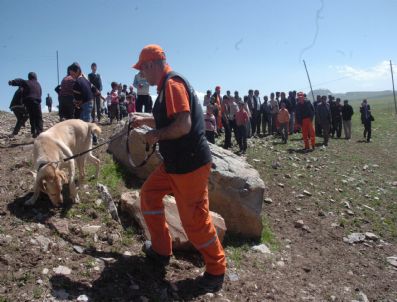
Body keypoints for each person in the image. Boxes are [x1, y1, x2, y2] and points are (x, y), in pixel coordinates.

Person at [131, 44, 226, 292]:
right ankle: (162, 250)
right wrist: (146, 119)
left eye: (142, 70)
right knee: (149, 195)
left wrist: (155, 135)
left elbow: (183, 125)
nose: (142, 76)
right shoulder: (166, 87)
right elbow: (172, 118)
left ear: (152, 65)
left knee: (195, 221)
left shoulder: (172, 85)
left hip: (189, 165)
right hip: (175, 164)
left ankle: (216, 270)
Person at [69, 62, 98, 144]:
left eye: (72, 74)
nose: (72, 76)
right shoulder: (85, 79)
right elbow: (92, 89)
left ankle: (90, 140)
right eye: (70, 74)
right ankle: (93, 138)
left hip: (85, 104)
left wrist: (76, 102)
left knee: (86, 123)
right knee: (88, 120)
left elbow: (79, 97)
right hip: (90, 102)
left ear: (77, 71)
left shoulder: (77, 83)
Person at [8, 72, 43, 138]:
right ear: (36, 77)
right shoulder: (38, 84)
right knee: (38, 117)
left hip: (27, 101)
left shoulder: (26, 82)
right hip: (36, 101)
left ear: (29, 77)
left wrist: (12, 82)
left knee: (32, 116)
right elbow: (40, 92)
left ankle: (33, 131)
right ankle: (39, 132)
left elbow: (20, 81)